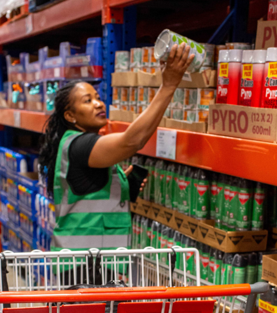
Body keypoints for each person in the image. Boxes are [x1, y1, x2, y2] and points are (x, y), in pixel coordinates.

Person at [38, 43, 193, 252]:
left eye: (98, 98)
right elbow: (131, 141)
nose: (99, 104)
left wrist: (120, 187)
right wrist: (168, 86)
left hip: (90, 262)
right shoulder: (80, 145)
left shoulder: (75, 144)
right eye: (88, 101)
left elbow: (89, 199)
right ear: (70, 115)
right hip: (85, 265)